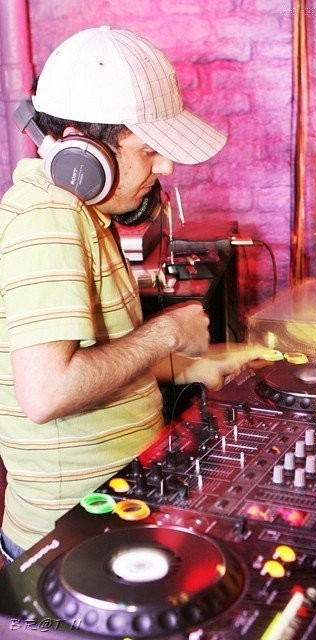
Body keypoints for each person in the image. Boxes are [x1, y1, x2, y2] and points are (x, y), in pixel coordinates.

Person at [0, 26, 276, 564]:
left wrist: (190, 366)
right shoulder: (48, 216)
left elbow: (95, 360)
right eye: (149, 150)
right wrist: (165, 333)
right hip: (67, 543)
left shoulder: (79, 212)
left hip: (103, 517)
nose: (166, 167)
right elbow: (47, 392)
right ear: (83, 153)